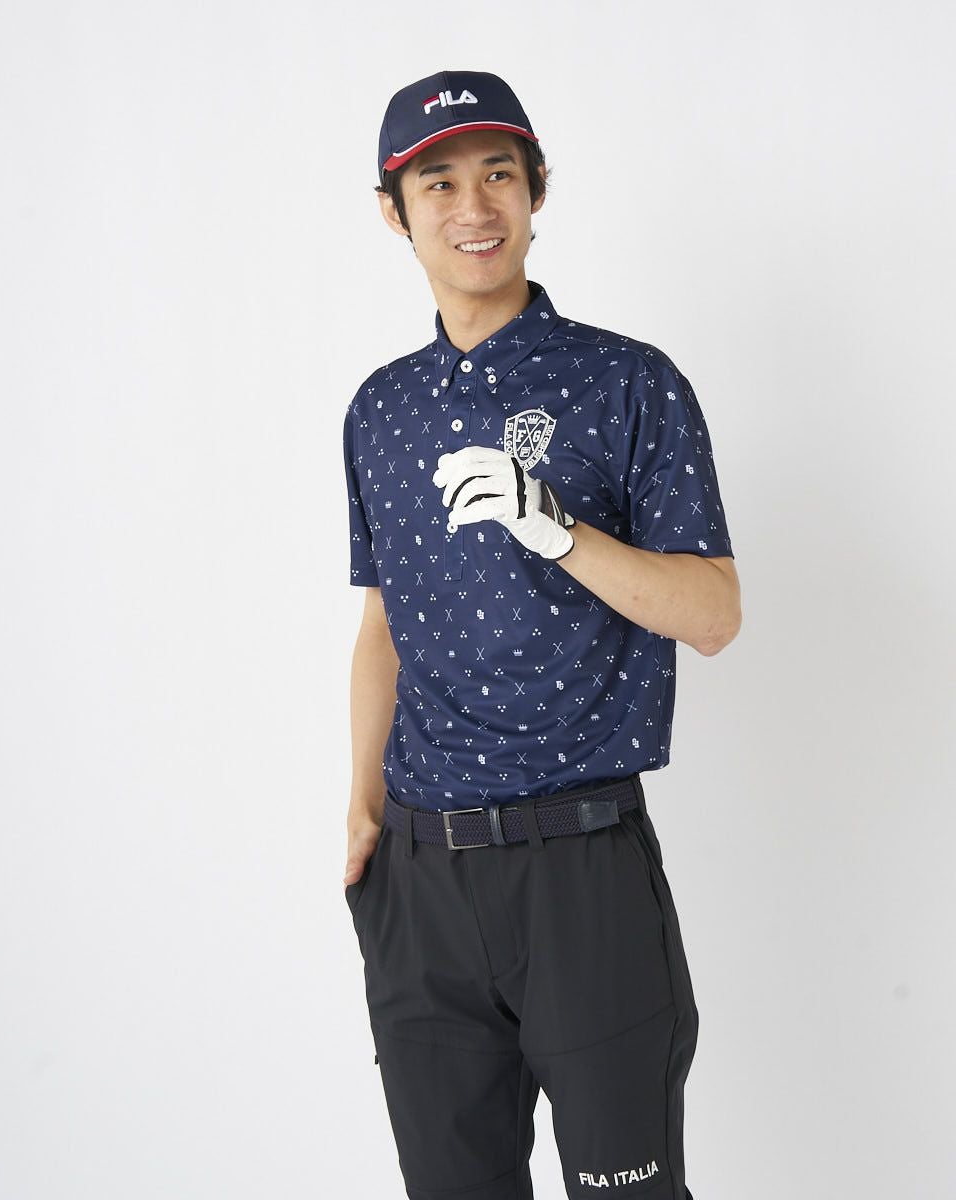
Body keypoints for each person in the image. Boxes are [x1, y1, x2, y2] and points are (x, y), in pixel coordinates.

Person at [341, 68, 740, 1200]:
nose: (473, 207)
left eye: (498, 176)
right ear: (393, 210)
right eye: (438, 182)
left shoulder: (628, 382)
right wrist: (363, 813)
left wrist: (557, 529)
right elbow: (382, 626)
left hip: (581, 873)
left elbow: (714, 613)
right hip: (420, 881)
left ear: (537, 190)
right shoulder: (379, 408)